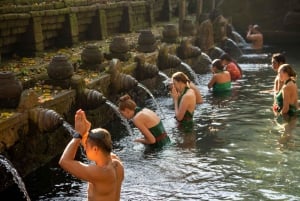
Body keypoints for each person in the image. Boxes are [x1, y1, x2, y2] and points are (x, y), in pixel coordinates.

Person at [59, 109, 124, 201]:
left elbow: (64, 161)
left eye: (86, 146)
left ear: (95, 149)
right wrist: (85, 133)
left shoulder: (100, 172)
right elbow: (93, 144)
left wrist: (78, 135)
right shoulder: (116, 162)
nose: (84, 149)